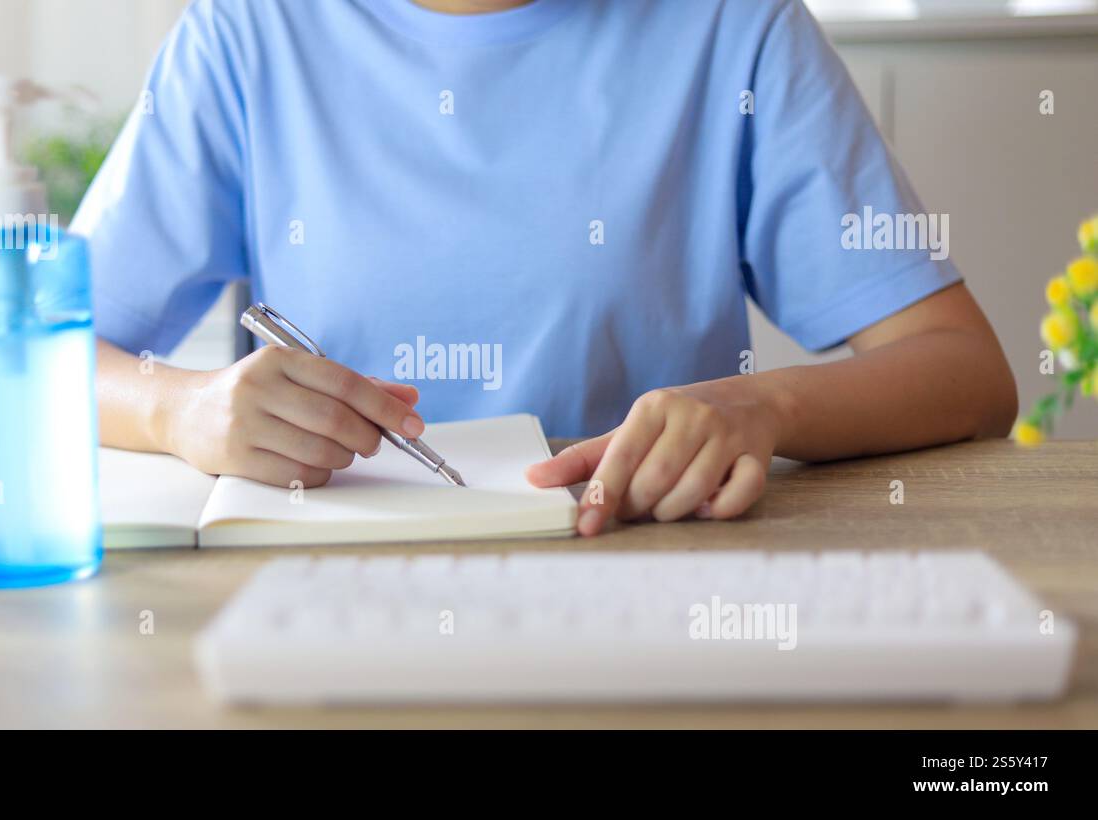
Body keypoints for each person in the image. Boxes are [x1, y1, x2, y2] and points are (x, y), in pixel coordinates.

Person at [72, 0, 1017, 537]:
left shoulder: (736, 26)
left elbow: (966, 372)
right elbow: (40, 353)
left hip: (657, 575)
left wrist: (767, 409)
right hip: (334, 586)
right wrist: (180, 408)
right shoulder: (245, 32)